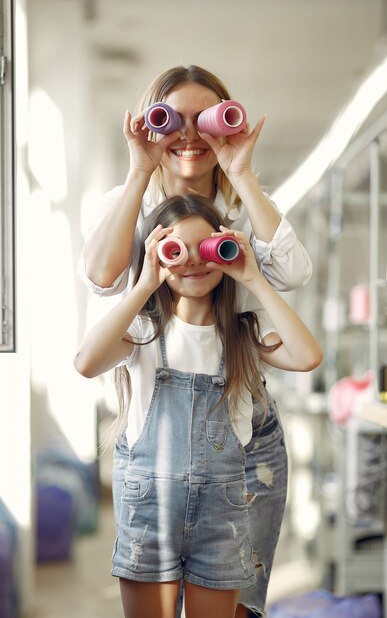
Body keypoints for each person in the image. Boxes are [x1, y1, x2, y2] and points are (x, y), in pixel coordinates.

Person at [79, 65, 313, 618]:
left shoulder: (243, 209)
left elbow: (294, 273)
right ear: (149, 124)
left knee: (239, 606)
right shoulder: (128, 203)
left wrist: (243, 175)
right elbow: (100, 277)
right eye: (171, 120)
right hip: (153, 426)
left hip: (243, 422)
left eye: (206, 121)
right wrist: (141, 170)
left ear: (227, 125)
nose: (188, 135)